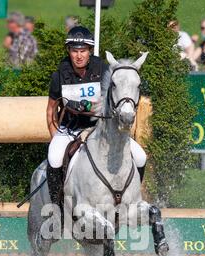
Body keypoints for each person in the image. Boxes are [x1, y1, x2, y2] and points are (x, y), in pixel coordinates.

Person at [46, 26, 147, 206]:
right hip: (69, 129)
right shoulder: (59, 75)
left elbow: (114, 101)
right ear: (69, 51)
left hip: (100, 129)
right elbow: (50, 110)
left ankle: (133, 198)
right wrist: (55, 135)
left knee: (140, 157)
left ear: (90, 51)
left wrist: (89, 106)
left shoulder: (104, 72)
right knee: (54, 157)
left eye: (83, 51)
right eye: (75, 51)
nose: (79, 56)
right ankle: (57, 207)